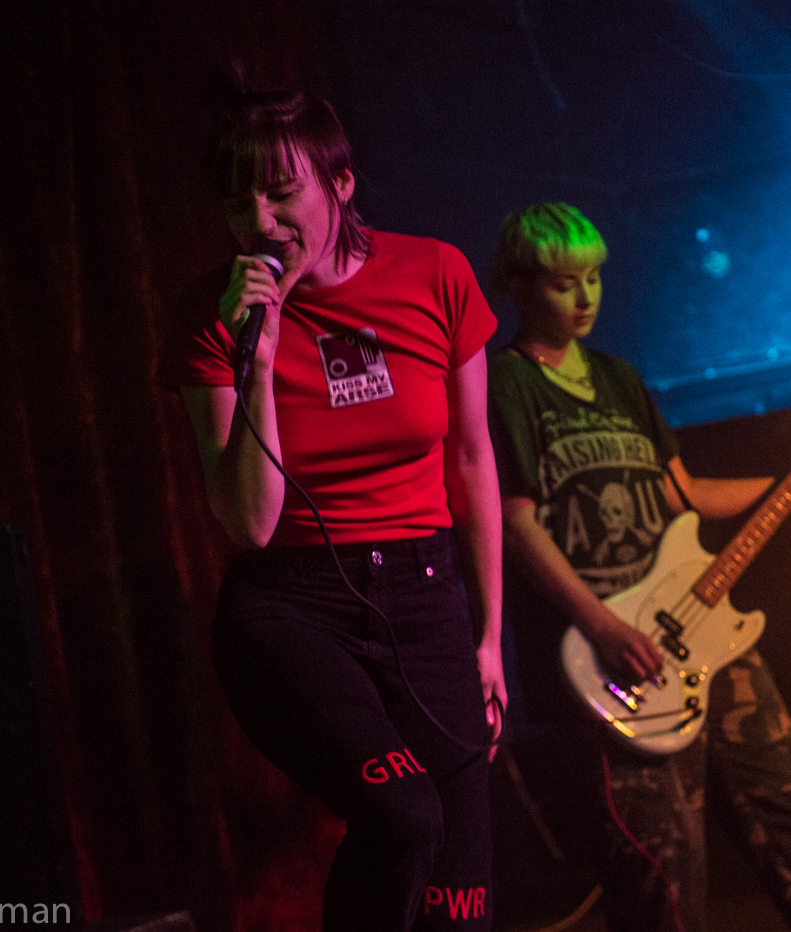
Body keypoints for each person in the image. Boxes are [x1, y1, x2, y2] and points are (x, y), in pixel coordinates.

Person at [486, 203, 791, 932]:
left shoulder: (618, 378)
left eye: (593, 279)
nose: (585, 298)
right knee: (664, 873)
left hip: (702, 631)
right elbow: (516, 526)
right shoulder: (504, 385)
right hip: (606, 660)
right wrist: (604, 627)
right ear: (520, 288)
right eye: (564, 284)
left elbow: (687, 494)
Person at [163, 76, 504, 932]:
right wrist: (254, 357)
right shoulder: (211, 317)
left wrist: (490, 634)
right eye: (238, 203)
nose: (260, 221)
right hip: (292, 606)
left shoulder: (435, 272)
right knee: (403, 815)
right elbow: (248, 523)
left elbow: (471, 458)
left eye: (282, 192)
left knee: (461, 897)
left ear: (340, 183)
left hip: (426, 590)